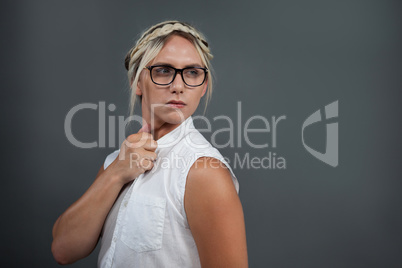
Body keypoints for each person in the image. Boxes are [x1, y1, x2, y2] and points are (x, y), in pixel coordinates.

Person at [51, 20, 248, 267]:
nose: (179, 86)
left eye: (192, 72)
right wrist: (115, 174)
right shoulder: (116, 163)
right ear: (137, 81)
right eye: (164, 70)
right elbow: (63, 250)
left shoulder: (203, 172)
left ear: (203, 86)